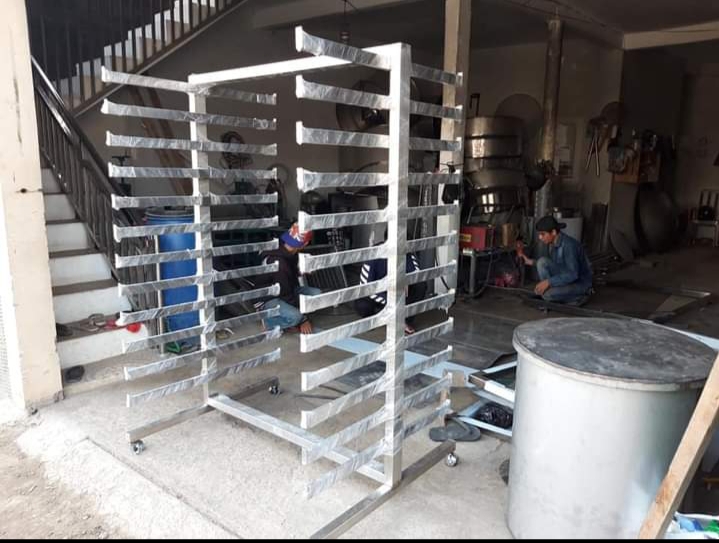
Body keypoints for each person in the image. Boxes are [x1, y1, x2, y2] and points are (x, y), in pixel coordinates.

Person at [254, 223, 319, 334]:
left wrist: (300, 271)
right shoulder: (280, 263)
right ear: (305, 244)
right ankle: (269, 322)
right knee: (295, 317)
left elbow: (288, 279)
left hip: (282, 290)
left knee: (316, 295)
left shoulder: (284, 249)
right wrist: (303, 319)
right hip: (267, 298)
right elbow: (286, 294)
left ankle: (289, 316)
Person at [516, 216, 593, 305]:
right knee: (542, 262)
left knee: (547, 295)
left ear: (553, 232)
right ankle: (552, 293)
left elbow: (573, 274)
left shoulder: (569, 245)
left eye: (543, 234)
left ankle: (579, 297)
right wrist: (529, 261)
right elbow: (555, 266)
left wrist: (548, 282)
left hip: (579, 283)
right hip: (566, 278)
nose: (540, 237)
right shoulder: (554, 243)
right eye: (539, 234)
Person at [354, 251, 426, 334]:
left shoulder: (406, 254)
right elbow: (366, 289)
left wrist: (406, 281)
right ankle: (372, 318)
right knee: (362, 304)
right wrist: (391, 301)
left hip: (397, 292)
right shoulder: (373, 257)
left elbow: (417, 274)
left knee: (420, 285)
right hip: (378, 295)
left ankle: (404, 319)